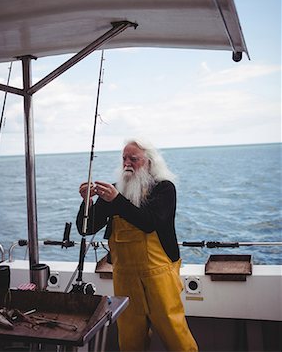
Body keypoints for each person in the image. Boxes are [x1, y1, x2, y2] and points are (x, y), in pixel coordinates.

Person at [77, 139, 198, 352]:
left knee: (176, 334)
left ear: (149, 163)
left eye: (134, 159)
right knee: (130, 339)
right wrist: (86, 202)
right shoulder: (114, 192)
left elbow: (149, 222)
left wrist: (116, 201)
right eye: (124, 158)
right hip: (124, 277)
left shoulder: (164, 189)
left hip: (159, 275)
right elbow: (86, 229)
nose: (127, 163)